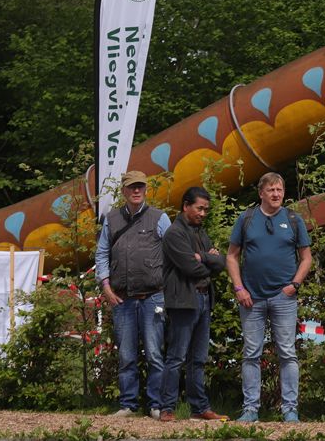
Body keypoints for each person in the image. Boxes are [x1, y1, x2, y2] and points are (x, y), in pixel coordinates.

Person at [227, 172, 312, 423]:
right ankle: (250, 409)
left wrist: (294, 285)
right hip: (251, 298)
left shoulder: (293, 219)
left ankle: (290, 410)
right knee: (251, 353)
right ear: (261, 193)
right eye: (271, 190)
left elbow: (306, 258)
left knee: (287, 353)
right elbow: (231, 256)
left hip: (283, 297)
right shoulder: (246, 219)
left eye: (279, 190)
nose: (276, 194)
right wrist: (239, 288)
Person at [95, 170, 170, 418]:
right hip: (121, 298)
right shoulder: (112, 218)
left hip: (153, 296)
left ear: (146, 189)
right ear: (123, 191)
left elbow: (173, 251)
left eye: (140, 186)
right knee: (126, 354)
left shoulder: (160, 218)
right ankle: (127, 405)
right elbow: (102, 253)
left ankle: (156, 405)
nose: (136, 190)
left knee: (155, 354)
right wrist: (106, 287)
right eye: (131, 187)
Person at [158, 186, 228, 422]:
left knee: (198, 358)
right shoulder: (174, 234)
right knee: (176, 356)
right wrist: (210, 260)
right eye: (199, 208)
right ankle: (167, 408)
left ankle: (199, 407)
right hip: (183, 301)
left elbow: (221, 262)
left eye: (206, 209)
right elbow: (191, 267)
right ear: (186, 206)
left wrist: (205, 258)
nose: (203, 213)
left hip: (204, 298)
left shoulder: (200, 232)